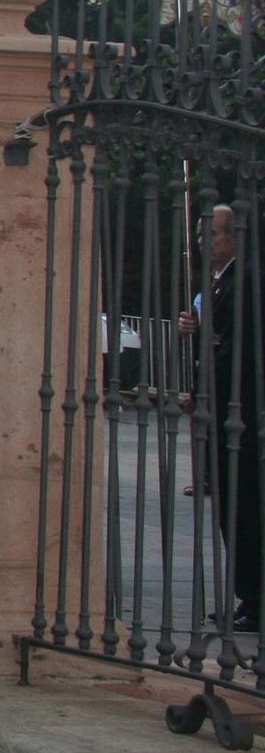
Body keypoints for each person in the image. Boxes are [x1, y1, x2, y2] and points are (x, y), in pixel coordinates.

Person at [195, 205, 257, 629]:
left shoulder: (246, 280)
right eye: (201, 235)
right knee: (232, 507)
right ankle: (249, 595)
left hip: (241, 416)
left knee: (244, 507)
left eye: (211, 235)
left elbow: (238, 351)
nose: (202, 242)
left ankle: (254, 597)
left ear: (234, 236)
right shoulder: (224, 280)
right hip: (227, 410)